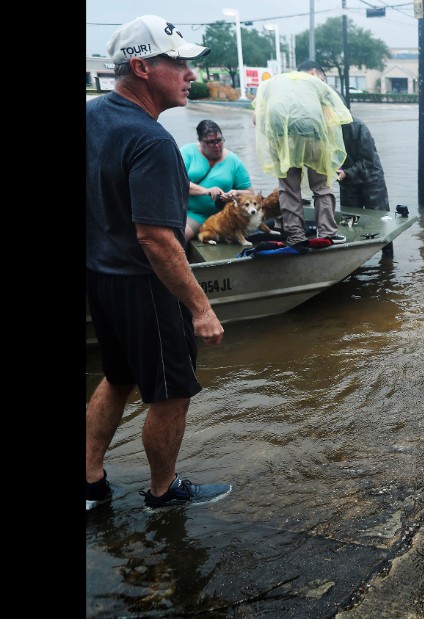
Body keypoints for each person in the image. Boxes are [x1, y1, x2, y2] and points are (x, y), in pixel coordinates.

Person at [86, 15, 230, 511]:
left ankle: (89, 481)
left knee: (118, 377)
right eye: (180, 62)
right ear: (142, 66)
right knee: (171, 394)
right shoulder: (152, 140)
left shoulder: (92, 115)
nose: (190, 73)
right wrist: (200, 308)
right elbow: (156, 237)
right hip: (146, 286)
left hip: (101, 279)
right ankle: (163, 491)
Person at [253, 60, 352, 252]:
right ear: (314, 72)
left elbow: (256, 119)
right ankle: (327, 233)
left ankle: (296, 236)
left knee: (288, 187)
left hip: (280, 131)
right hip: (311, 130)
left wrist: (277, 137)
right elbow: (334, 116)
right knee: (321, 185)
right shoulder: (316, 83)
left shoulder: (272, 82)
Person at [181, 119, 253, 242]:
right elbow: (176, 183)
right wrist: (206, 191)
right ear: (199, 141)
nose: (217, 146)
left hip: (222, 216)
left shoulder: (234, 161)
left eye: (219, 140)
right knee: (179, 235)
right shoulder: (187, 153)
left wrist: (236, 193)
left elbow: (250, 193)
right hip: (193, 213)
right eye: (211, 142)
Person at [337, 117, 394, 257]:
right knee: (349, 225)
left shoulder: (359, 127)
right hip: (347, 181)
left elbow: (368, 161)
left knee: (380, 223)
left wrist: (347, 173)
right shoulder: (327, 130)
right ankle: (352, 263)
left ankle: (387, 260)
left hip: (371, 179)